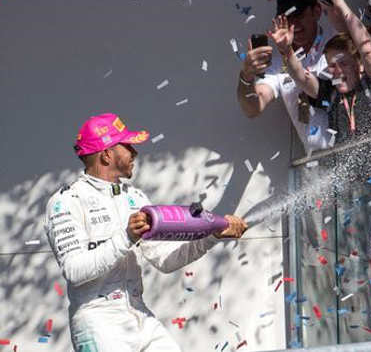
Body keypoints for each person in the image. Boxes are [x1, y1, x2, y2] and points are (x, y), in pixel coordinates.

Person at [44, 113, 247, 351]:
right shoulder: (66, 201)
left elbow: (164, 260)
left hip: (140, 315)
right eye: (127, 146)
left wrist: (212, 236)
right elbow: (74, 270)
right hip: (98, 322)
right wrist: (127, 237)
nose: (134, 152)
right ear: (107, 154)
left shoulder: (135, 197)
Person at [236, 0, 335, 153]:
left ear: (316, 11)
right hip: (316, 161)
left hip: (351, 146)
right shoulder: (277, 65)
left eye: (299, 15)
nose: (294, 24)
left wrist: (287, 52)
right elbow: (252, 108)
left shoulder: (336, 42)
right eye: (287, 19)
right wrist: (246, 76)